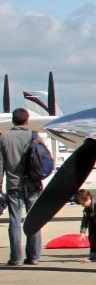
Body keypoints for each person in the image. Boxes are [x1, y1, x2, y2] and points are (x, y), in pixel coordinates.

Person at [2, 108, 43, 266]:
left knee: (14, 221)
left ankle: (16, 258)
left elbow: (0, 164)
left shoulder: (4, 137)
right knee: (33, 220)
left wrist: (0, 182)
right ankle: (33, 256)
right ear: (27, 121)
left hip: (13, 185)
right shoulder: (34, 136)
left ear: (13, 120)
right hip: (32, 183)